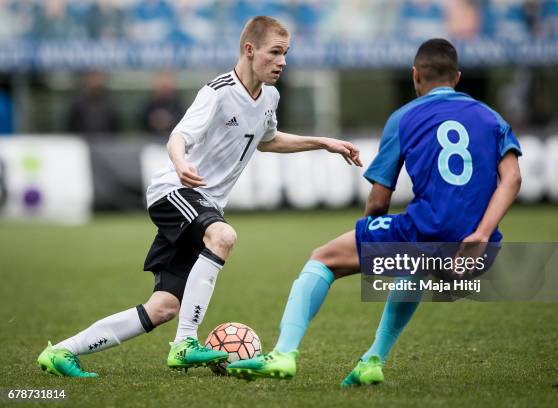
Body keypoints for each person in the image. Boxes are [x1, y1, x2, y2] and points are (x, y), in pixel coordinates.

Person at [37, 16, 362, 378]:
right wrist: (179, 163)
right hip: (174, 192)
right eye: (275, 52)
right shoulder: (218, 91)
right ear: (249, 50)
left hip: (202, 206)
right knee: (222, 235)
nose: (282, 61)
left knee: (162, 307)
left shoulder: (270, 96)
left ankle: (63, 351)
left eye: (285, 53)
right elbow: (178, 136)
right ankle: (185, 343)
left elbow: (266, 140)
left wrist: (323, 142)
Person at [227, 38, 522, 386]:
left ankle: (283, 354)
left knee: (322, 260)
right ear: (457, 77)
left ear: (415, 76)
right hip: (476, 251)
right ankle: (372, 361)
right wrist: (482, 234)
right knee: (414, 265)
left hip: (425, 232)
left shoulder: (405, 117)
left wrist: (369, 239)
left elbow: (379, 200)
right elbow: (513, 178)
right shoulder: (491, 117)